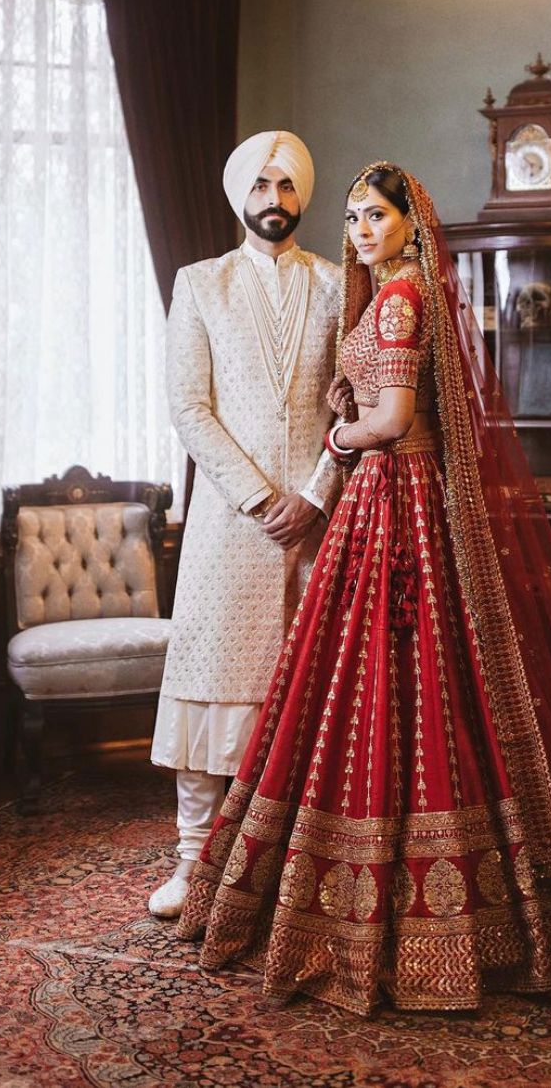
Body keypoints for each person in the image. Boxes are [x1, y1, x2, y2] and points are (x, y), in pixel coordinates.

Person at [177, 162, 551, 1013]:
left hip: (393, 493)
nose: (362, 229)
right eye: (352, 216)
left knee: (391, 670)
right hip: (389, 499)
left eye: (377, 215)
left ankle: (413, 886)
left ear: (412, 222)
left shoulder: (402, 298)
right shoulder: (385, 294)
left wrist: (340, 436)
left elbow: (394, 422)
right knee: (396, 671)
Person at [147, 131, 343, 919]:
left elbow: (355, 402)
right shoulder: (200, 284)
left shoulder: (338, 286)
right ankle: (195, 862)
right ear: (240, 196)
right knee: (210, 683)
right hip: (231, 526)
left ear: (303, 197)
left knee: (310, 692)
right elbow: (188, 407)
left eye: (288, 187)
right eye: (261, 186)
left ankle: (299, 864)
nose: (275, 200)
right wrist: (262, 500)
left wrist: (315, 494)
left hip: (320, 521)